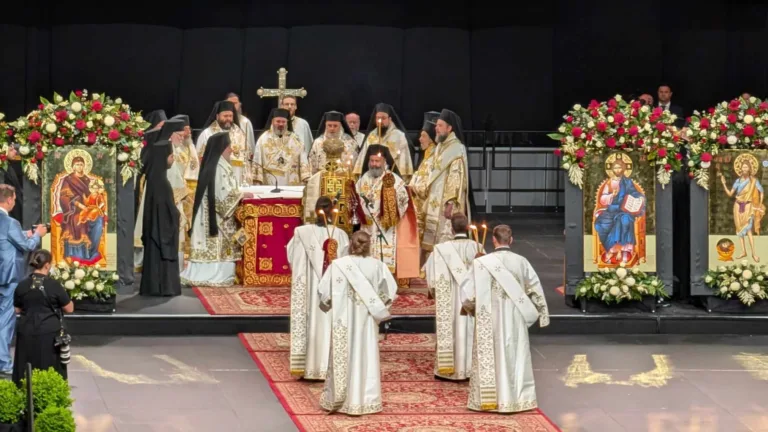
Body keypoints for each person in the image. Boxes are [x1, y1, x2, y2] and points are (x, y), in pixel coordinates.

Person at [459, 224, 550, 413]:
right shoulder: (521, 262)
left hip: (489, 316)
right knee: (515, 356)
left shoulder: (481, 262)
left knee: (492, 356)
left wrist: (470, 308)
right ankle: (517, 399)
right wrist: (542, 314)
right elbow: (535, 288)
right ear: (511, 240)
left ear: (493, 240)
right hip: (515, 317)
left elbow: (467, 293)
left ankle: (489, 399)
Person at [317, 231, 398, 416]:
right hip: (367, 321)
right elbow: (390, 291)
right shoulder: (377, 266)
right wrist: (378, 304)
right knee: (365, 354)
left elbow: (324, 293)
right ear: (369, 245)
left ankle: (339, 399)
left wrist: (329, 303)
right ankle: (365, 400)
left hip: (342, 320)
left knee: (343, 353)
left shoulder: (337, 266)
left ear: (350, 245)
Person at [286, 196, 349, 380]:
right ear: (332, 212)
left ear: (315, 211)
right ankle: (329, 368)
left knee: (311, 322)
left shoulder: (301, 233)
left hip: (309, 289)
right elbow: (346, 263)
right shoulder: (341, 235)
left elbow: (291, 258)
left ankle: (309, 367)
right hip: (332, 290)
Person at [180, 132, 251, 286]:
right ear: (222, 148)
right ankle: (216, 274)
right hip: (216, 217)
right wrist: (241, 194)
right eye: (229, 147)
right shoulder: (219, 166)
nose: (231, 150)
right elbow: (223, 197)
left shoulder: (219, 163)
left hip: (212, 214)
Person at [423, 213, 481, 381]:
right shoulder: (477, 248)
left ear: (451, 228)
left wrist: (434, 292)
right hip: (470, 301)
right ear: (467, 227)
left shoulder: (440, 250)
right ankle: (469, 369)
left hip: (448, 299)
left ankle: (448, 368)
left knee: (451, 329)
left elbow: (431, 277)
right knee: (469, 331)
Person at [354, 145, 419, 280]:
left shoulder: (394, 179)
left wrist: (390, 211)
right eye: (371, 161)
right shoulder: (363, 179)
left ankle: (387, 282)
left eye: (377, 161)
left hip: (385, 226)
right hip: (367, 225)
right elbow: (356, 198)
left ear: (385, 161)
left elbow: (404, 200)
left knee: (385, 256)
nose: (374, 164)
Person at [0, 184, 45, 377]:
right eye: (14, 200)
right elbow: (27, 246)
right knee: (6, 319)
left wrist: (25, 233)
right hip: (8, 276)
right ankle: (3, 362)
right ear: (9, 200)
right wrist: (37, 235)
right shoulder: (10, 223)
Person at [12, 249, 73, 384]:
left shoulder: (22, 285)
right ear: (47, 265)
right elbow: (69, 308)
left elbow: (17, 308)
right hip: (49, 332)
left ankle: (25, 392)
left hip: (26, 330)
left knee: (26, 363)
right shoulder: (54, 285)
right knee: (49, 364)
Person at [418, 109, 473, 256]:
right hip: (434, 199)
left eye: (440, 125)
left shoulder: (456, 148)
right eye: (436, 125)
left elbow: (456, 177)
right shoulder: (440, 147)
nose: (436, 128)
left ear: (450, 128)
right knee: (430, 238)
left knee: (443, 236)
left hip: (446, 202)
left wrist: (450, 203)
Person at [134, 119, 186, 271]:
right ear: (172, 134)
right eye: (180, 135)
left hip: (168, 198)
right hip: (162, 198)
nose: (182, 139)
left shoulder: (175, 149)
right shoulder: (164, 149)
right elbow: (169, 176)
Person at [140, 139, 183, 296]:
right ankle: (165, 288)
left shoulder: (153, 179)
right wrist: (176, 214)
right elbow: (166, 214)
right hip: (161, 237)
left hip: (154, 235)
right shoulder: (162, 183)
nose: (173, 159)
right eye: (170, 156)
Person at [353, 103, 413, 182]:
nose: (380, 121)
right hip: (372, 176)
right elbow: (363, 160)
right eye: (378, 118)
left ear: (390, 119)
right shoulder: (371, 136)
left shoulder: (399, 136)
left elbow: (404, 163)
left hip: (392, 178)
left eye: (383, 118)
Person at [408, 111, 440, 258]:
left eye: (423, 136)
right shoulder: (427, 157)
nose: (419, 139)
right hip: (418, 207)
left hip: (426, 208)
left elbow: (429, 184)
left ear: (432, 139)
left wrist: (413, 187)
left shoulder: (434, 159)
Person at [196, 100, 250, 186]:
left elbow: (246, 158)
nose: (228, 119)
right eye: (225, 116)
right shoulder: (207, 134)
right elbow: (200, 160)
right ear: (217, 116)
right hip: (216, 178)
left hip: (237, 176)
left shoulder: (240, 133)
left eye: (230, 116)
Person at [253, 108, 310, 186]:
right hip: (269, 181)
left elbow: (303, 161)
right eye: (278, 121)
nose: (281, 124)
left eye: (283, 122)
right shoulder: (263, 139)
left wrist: (305, 178)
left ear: (287, 122)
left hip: (290, 180)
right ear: (272, 122)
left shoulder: (296, 140)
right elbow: (257, 161)